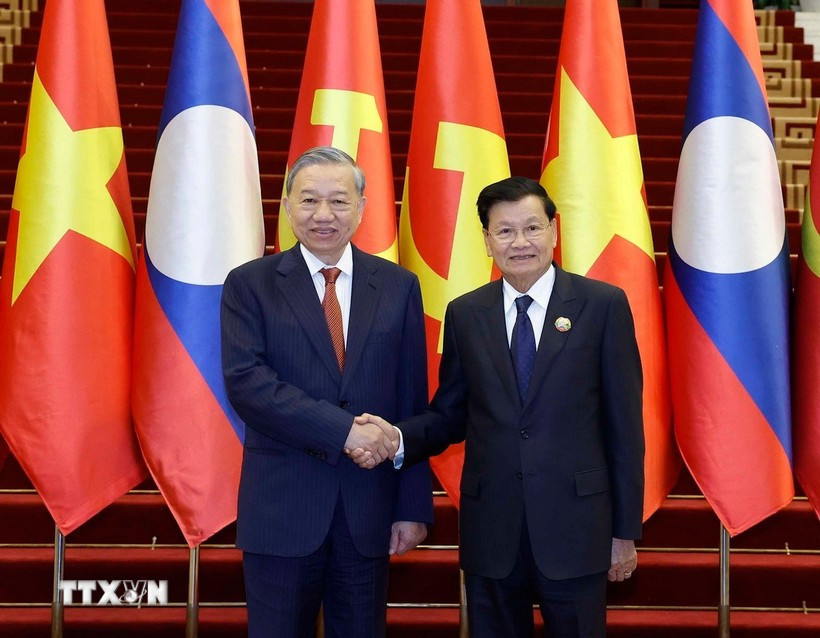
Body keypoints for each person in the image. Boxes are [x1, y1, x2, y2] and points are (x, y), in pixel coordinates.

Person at [351, 176, 644, 638]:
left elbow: (625, 427)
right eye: (504, 231)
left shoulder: (601, 305)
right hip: (493, 529)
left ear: (554, 231)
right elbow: (450, 413)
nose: (520, 242)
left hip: (578, 528)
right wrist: (398, 438)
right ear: (487, 240)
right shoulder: (467, 313)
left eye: (532, 227)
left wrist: (623, 531)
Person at [221, 146, 433, 638]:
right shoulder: (250, 284)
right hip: (282, 511)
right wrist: (344, 433)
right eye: (309, 199)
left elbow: (411, 401)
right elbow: (248, 384)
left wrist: (412, 506)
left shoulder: (399, 286)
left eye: (338, 201)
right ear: (287, 206)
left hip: (369, 511)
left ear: (361, 206)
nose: (323, 214)